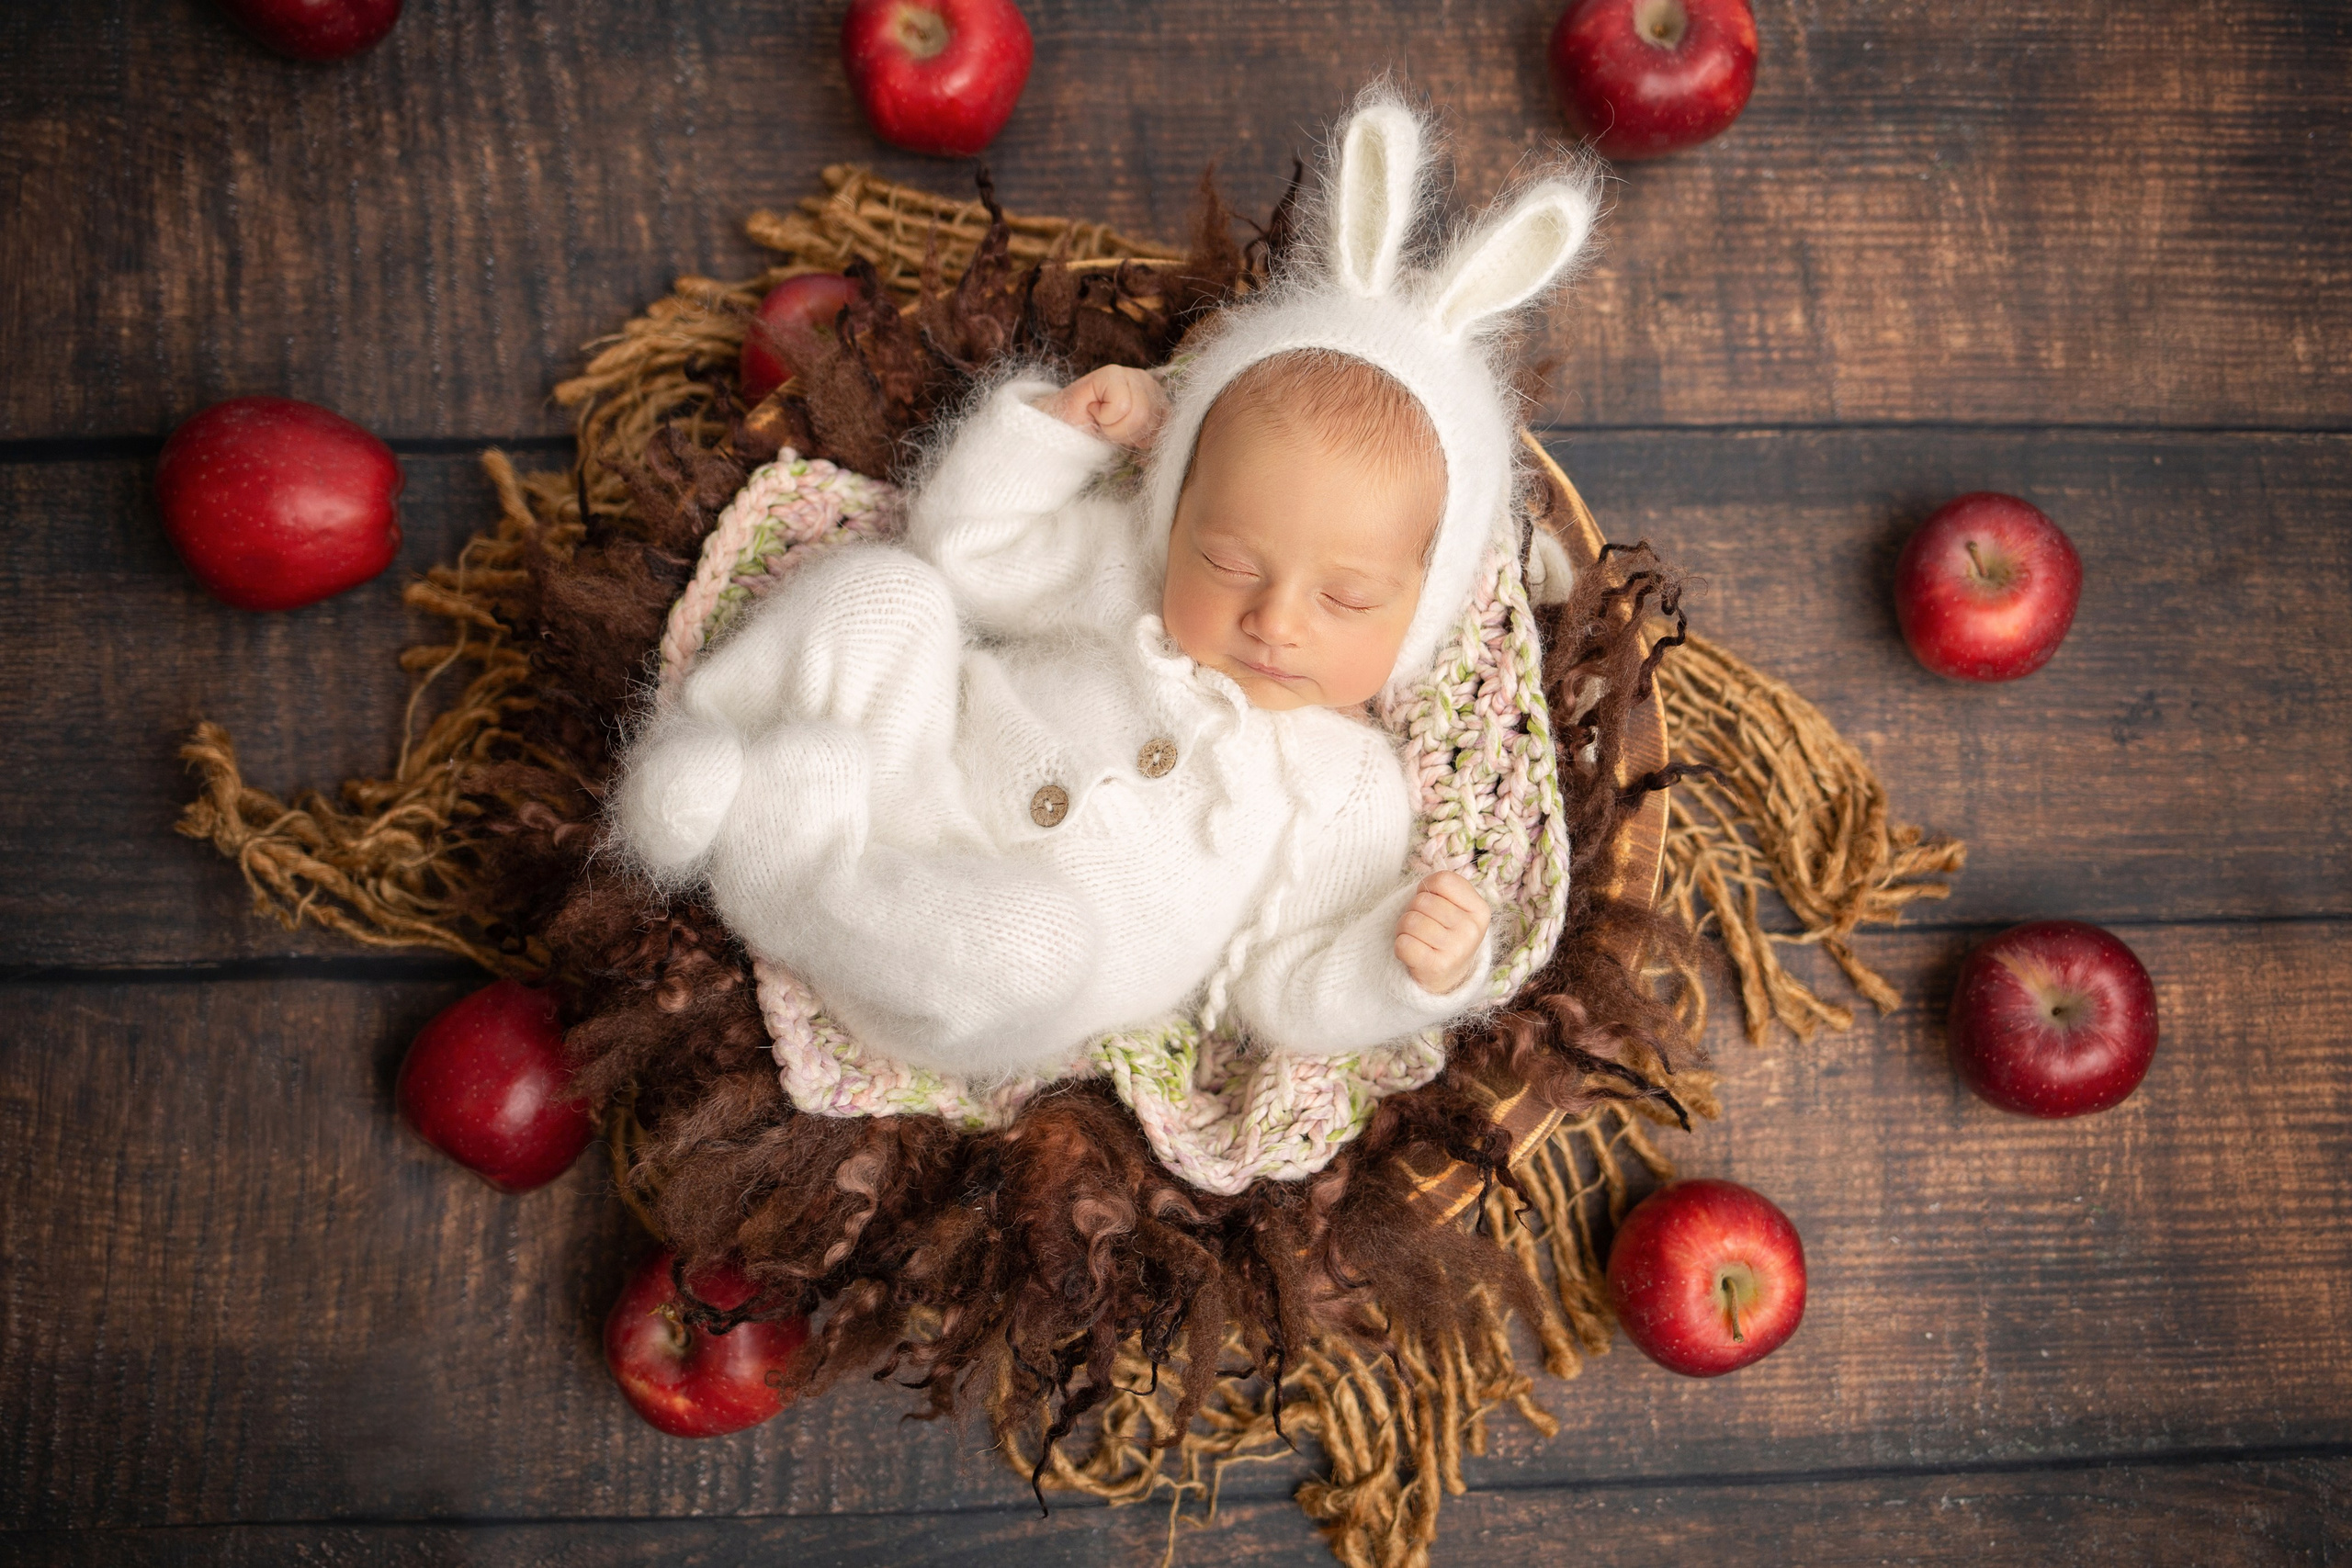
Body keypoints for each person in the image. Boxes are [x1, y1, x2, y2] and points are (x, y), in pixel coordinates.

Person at [610, 87, 1598, 1082]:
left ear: (1421, 609)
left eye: (1345, 601)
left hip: (968, 957)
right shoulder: (1125, 574)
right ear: (1177, 514)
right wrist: (1062, 434)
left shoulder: (1346, 790)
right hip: (907, 775)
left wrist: (1404, 970)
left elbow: (1281, 984)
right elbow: (967, 551)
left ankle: (783, 873)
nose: (1273, 620)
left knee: (1036, 944)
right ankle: (708, 742)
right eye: (1230, 563)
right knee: (883, 593)